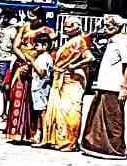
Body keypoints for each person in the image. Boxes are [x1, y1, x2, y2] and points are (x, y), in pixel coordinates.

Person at [79, 15, 127, 158]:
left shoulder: (123, 42)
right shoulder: (111, 42)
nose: (106, 27)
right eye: (106, 24)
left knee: (113, 120)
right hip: (104, 85)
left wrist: (124, 87)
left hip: (114, 87)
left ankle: (115, 149)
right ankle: (98, 147)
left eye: (110, 24)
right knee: (98, 119)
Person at [40, 18, 95, 151]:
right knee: (59, 109)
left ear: (77, 27)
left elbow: (90, 58)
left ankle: (69, 142)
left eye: (69, 26)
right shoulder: (70, 41)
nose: (66, 29)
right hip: (61, 77)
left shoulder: (79, 41)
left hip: (73, 78)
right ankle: (58, 139)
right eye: (65, 26)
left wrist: (74, 65)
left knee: (69, 110)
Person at [3, 8, 56, 144]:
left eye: (33, 17)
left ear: (40, 18)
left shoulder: (48, 31)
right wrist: (25, 60)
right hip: (22, 64)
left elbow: (50, 48)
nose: (30, 19)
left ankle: (33, 133)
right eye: (29, 16)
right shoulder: (24, 28)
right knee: (17, 96)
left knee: (33, 101)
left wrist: (33, 62)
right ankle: (16, 132)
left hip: (37, 66)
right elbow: (15, 46)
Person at [28, 34, 56, 141]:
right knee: (39, 111)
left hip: (41, 87)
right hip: (37, 87)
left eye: (37, 44)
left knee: (42, 112)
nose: (35, 46)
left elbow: (42, 73)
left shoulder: (45, 58)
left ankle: (44, 136)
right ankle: (39, 134)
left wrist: (31, 62)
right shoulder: (41, 57)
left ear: (45, 45)